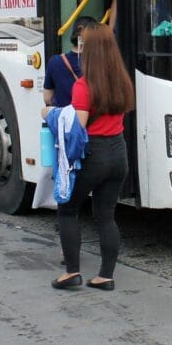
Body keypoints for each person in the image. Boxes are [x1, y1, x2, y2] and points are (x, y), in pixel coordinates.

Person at [50, 23, 132, 291]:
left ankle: (72, 272)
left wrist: (50, 114)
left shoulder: (84, 86)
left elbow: (78, 126)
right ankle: (105, 275)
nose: (80, 49)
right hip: (118, 152)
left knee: (68, 209)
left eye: (83, 45)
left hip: (93, 154)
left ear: (91, 51)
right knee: (106, 216)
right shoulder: (121, 80)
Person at [44, 16, 95, 108]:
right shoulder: (99, 62)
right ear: (81, 30)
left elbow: (47, 98)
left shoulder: (55, 62)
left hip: (65, 119)